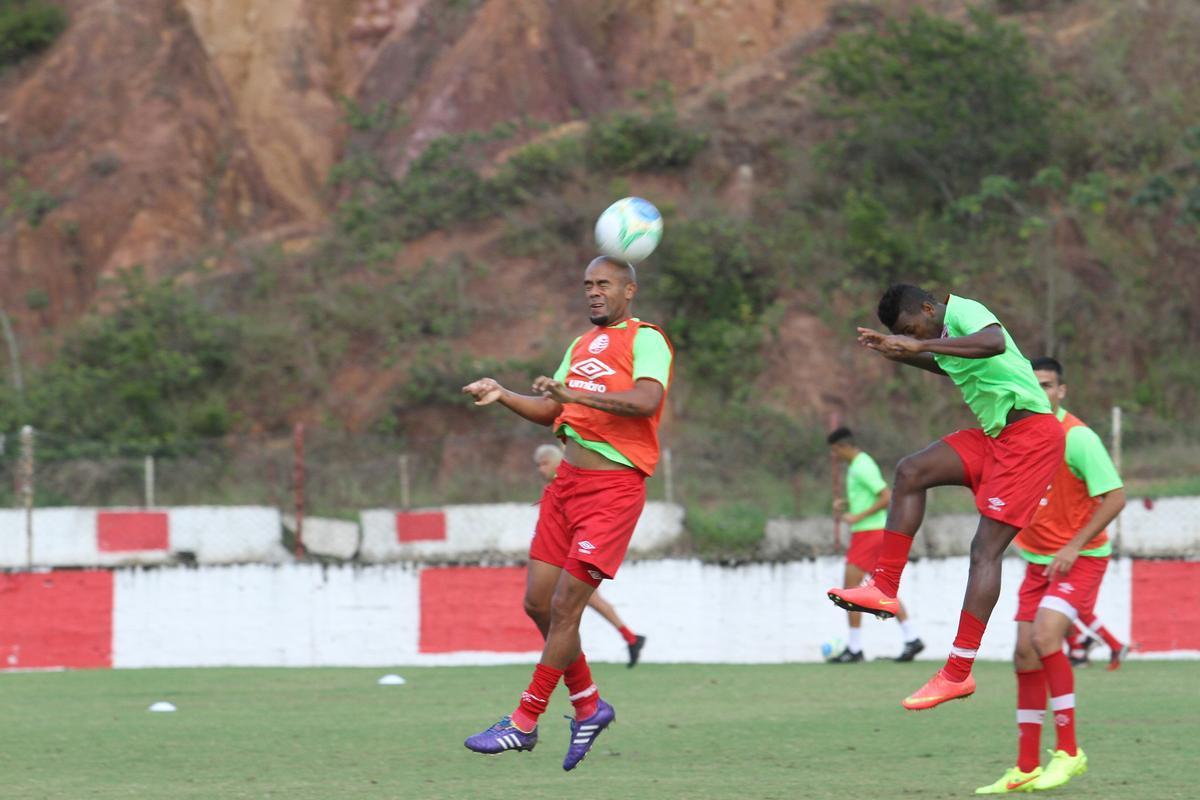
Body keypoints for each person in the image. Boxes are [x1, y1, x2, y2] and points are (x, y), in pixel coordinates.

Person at [461, 256, 673, 770]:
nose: (594, 292)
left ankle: (523, 722)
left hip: (613, 489)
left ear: (629, 291)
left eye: (604, 284)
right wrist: (504, 394)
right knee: (537, 604)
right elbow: (553, 410)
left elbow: (646, 401)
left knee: (564, 606)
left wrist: (573, 392)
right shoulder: (579, 346)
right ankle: (589, 705)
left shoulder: (648, 338)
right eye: (587, 285)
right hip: (566, 487)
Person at [827, 284, 1064, 711]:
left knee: (983, 552)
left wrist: (915, 342)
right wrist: (903, 352)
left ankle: (957, 672)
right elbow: (945, 361)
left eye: (911, 324)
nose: (914, 331)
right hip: (997, 438)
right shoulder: (945, 337)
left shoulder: (966, 311)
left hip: (1030, 439)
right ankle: (883, 586)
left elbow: (992, 343)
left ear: (927, 307)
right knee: (911, 471)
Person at [975, 357, 1125, 794]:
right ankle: (1025, 766)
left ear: (1061, 391)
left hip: (1082, 558)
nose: (1039, 392)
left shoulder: (1077, 438)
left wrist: (1074, 544)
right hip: (1038, 561)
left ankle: (1069, 752)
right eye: (1032, 384)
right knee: (1024, 653)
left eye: (1047, 385)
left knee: (1045, 639)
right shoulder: (1017, 436)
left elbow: (1115, 497)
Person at [533, 443, 647, 668]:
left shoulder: (573, 481)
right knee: (571, 605)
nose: (540, 469)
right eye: (538, 465)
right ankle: (629, 638)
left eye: (544, 463)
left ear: (558, 462)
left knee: (569, 606)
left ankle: (627, 639)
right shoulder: (553, 488)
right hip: (564, 553)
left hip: (575, 553)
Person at [826, 427, 924, 663]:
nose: (833, 456)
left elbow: (885, 496)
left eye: (834, 451)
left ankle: (855, 648)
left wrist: (857, 517)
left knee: (849, 590)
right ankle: (912, 638)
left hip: (868, 534)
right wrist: (848, 505)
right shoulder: (856, 466)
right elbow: (869, 497)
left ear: (842, 447)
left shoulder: (862, 465)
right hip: (871, 533)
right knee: (881, 590)